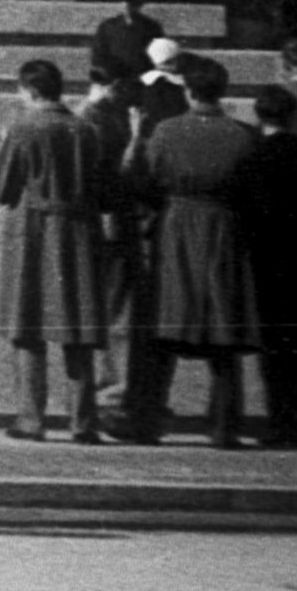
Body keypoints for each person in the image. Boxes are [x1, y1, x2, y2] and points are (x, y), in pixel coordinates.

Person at [121, 55, 259, 446]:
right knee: (221, 327)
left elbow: (147, 180)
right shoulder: (243, 134)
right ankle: (224, 425)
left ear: (188, 90)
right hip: (223, 228)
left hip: (177, 226)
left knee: (163, 322)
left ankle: (147, 421)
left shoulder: (166, 131)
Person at [0, 59, 109, 441]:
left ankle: (31, 418)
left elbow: (1, 189)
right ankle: (84, 421)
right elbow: (101, 188)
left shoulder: (23, 128)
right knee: (79, 327)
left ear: (30, 90)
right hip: (78, 231)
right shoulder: (86, 129)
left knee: (27, 324)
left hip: (34, 230)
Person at [234, 84, 297, 449]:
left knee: (273, 348)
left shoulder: (252, 157)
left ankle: (279, 423)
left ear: (259, 117)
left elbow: (244, 210)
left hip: (265, 260)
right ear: (291, 115)